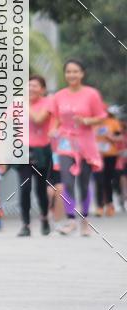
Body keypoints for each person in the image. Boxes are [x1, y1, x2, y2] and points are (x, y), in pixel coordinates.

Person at [49, 59, 106, 236]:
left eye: (75, 71)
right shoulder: (59, 96)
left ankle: (85, 221)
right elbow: (56, 117)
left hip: (85, 142)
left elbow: (102, 116)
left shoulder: (91, 94)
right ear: (65, 74)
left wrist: (87, 120)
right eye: (68, 72)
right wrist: (53, 130)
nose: (72, 75)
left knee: (83, 182)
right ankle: (71, 219)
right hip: (65, 142)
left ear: (82, 74)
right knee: (66, 181)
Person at [14, 75, 53, 237]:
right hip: (22, 150)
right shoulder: (16, 104)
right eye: (28, 85)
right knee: (25, 187)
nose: (30, 89)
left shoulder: (48, 103)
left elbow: (38, 119)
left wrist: (25, 105)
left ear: (42, 89)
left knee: (40, 189)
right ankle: (25, 224)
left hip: (41, 150)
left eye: (35, 86)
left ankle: (44, 217)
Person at [93, 105, 122, 216]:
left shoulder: (113, 122)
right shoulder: (93, 123)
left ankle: (109, 204)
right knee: (98, 180)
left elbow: (119, 138)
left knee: (108, 180)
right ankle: (100, 206)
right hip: (96, 156)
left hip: (110, 155)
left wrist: (111, 137)